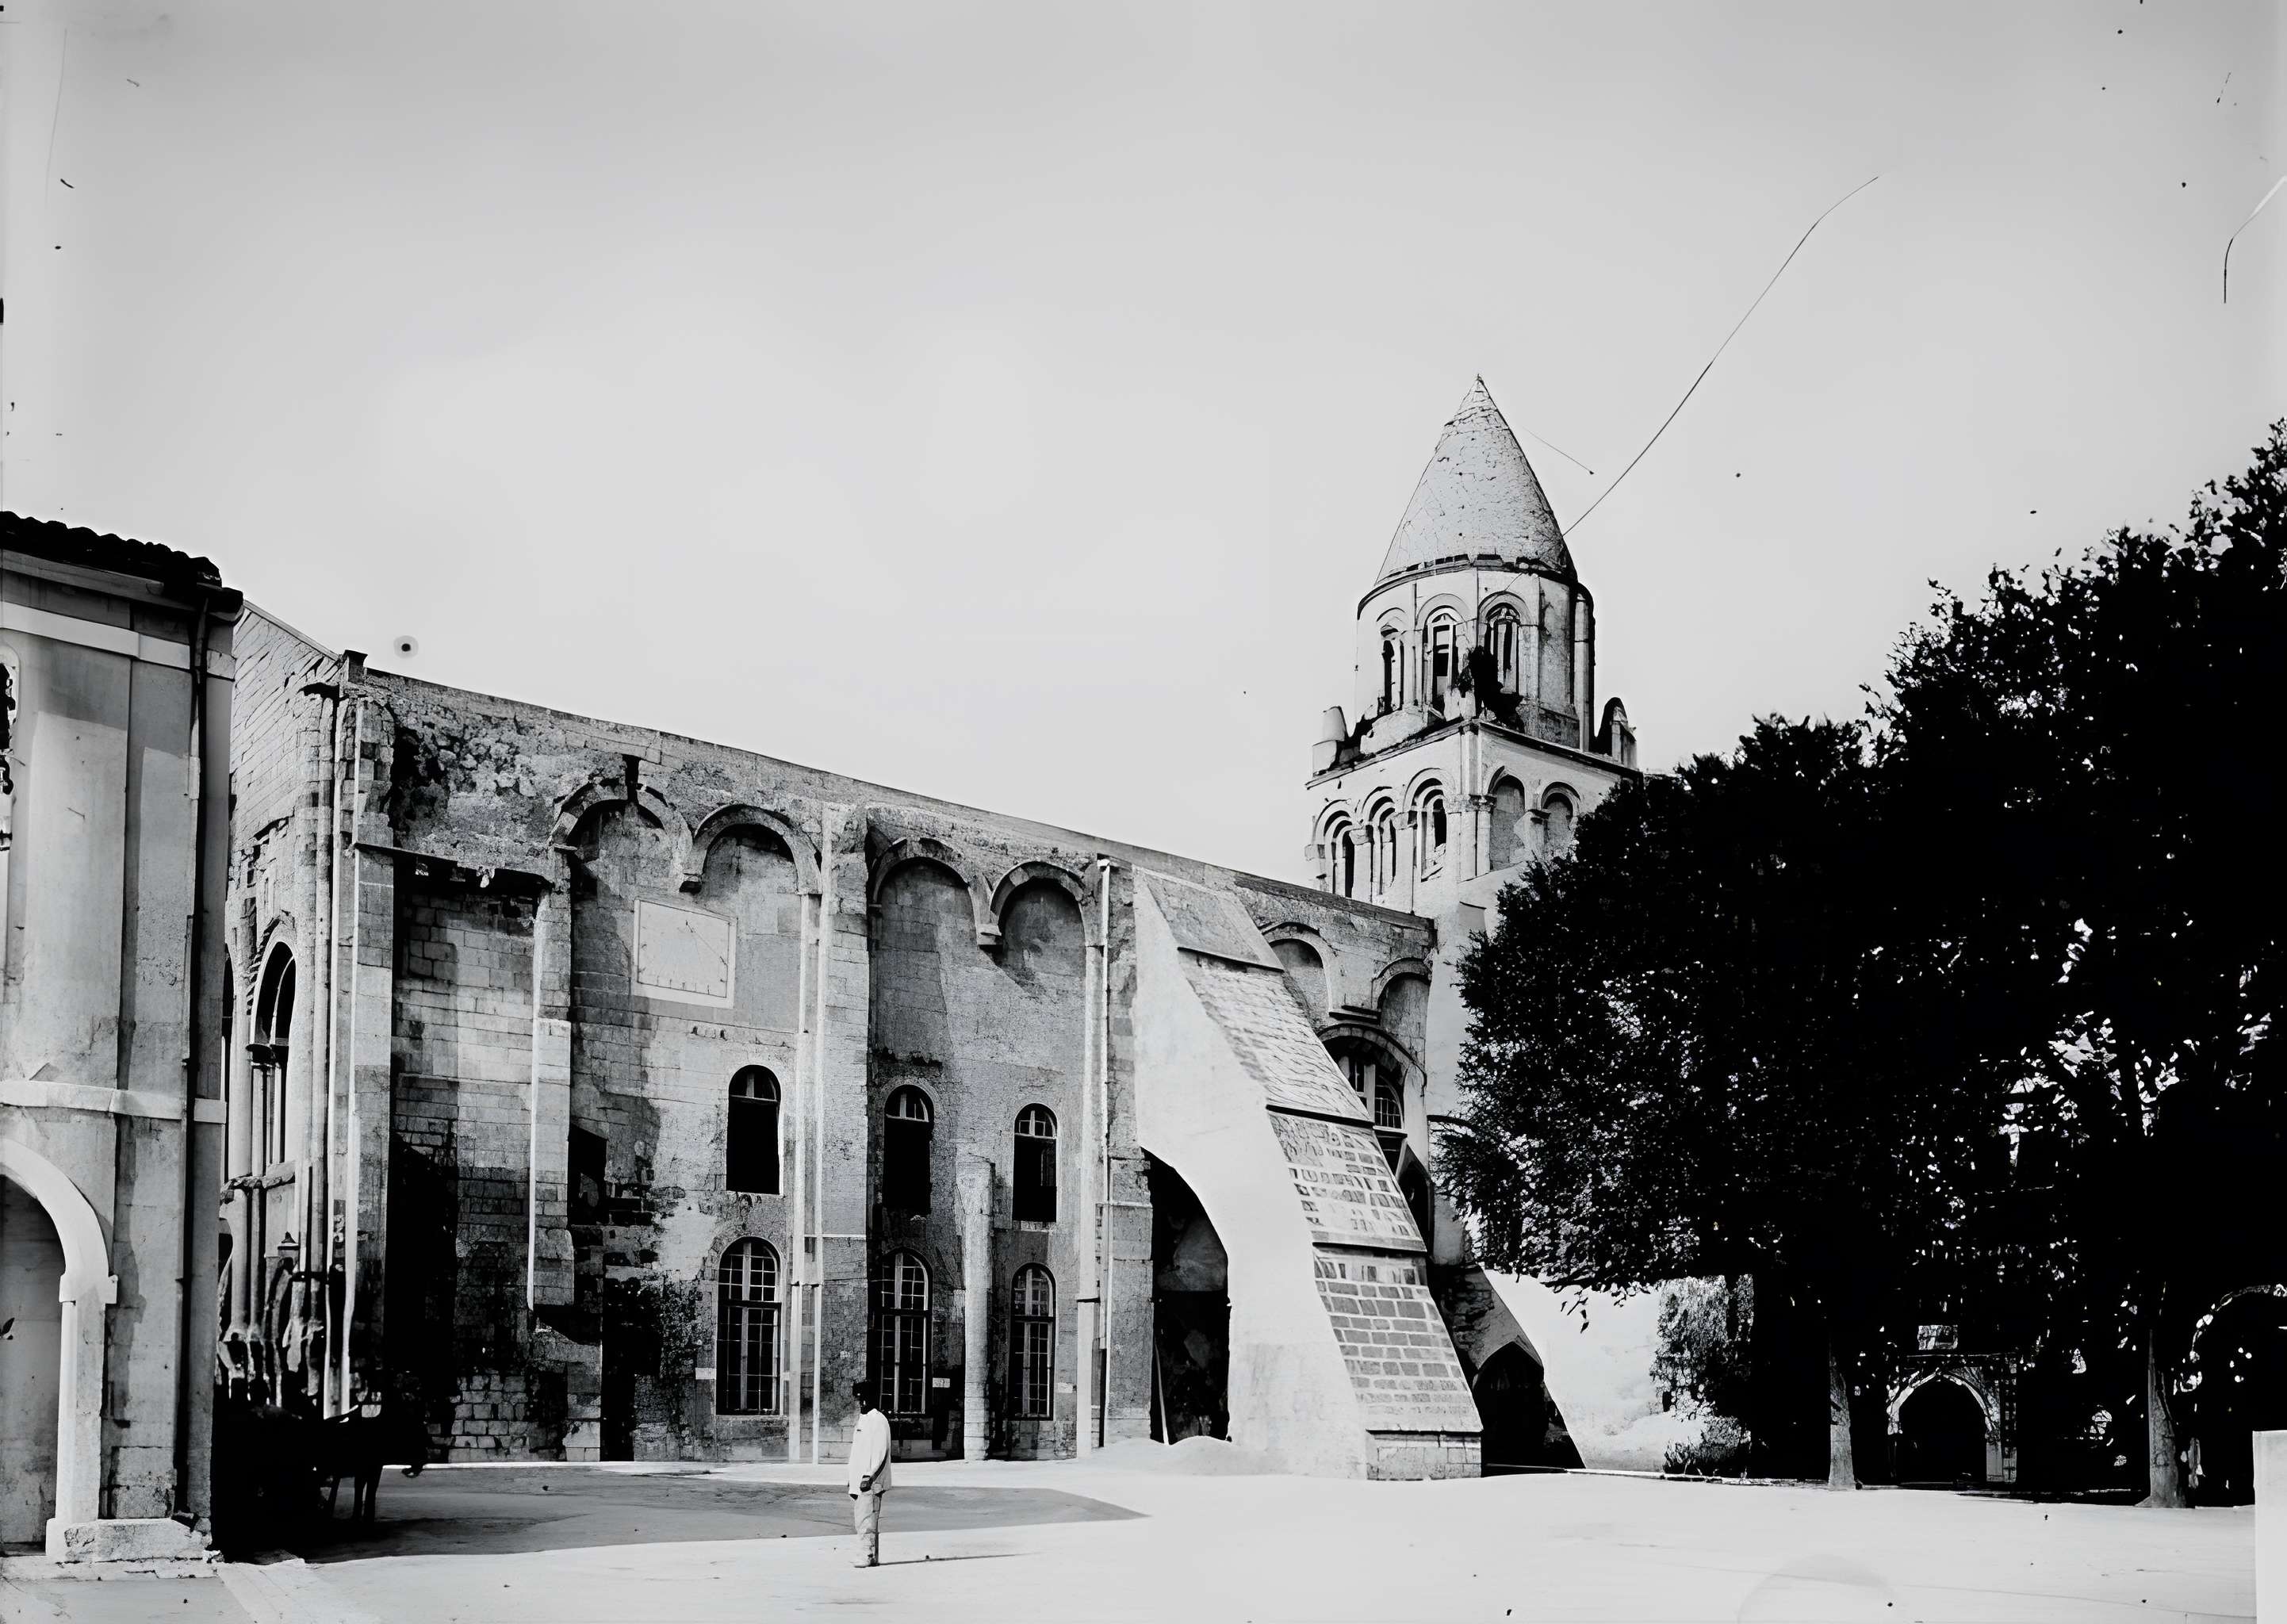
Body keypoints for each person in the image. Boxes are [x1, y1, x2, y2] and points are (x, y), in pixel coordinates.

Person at [846, 1381, 893, 1568]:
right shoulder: (863, 1419)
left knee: (867, 1520)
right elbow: (858, 1452)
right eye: (857, 1398)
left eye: (860, 1398)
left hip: (870, 1482)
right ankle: (871, 1556)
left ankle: (866, 1555)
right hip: (859, 1481)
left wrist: (869, 1475)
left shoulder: (878, 1420)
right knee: (863, 1519)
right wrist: (851, 1478)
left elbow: (880, 1451)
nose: (858, 1402)